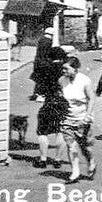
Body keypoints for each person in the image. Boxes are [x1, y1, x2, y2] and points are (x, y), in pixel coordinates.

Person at [59, 56, 97, 183]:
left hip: (83, 119)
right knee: (72, 147)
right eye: (63, 69)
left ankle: (91, 162)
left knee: (86, 147)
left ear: (75, 69)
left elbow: (91, 98)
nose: (63, 71)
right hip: (68, 119)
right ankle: (75, 171)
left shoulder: (85, 81)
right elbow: (60, 100)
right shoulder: (61, 81)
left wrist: (87, 117)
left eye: (66, 69)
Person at [32, 41, 68, 170]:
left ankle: (43, 159)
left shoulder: (44, 69)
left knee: (42, 132)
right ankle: (57, 160)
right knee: (60, 132)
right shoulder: (65, 71)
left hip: (48, 103)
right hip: (62, 104)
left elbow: (39, 89)